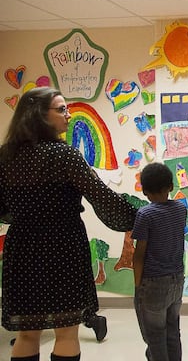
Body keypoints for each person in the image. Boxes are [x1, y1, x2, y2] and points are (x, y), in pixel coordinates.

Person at [0, 87, 137, 361]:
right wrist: (138, 216)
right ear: (40, 114)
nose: (69, 114)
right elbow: (101, 197)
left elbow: (3, 209)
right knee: (66, 334)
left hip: (22, 249)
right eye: (61, 109)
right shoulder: (64, 155)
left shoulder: (6, 156)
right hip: (64, 247)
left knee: (27, 334)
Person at [132, 162, 187, 361]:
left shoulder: (145, 215)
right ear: (170, 186)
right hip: (177, 280)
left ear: (144, 191)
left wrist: (138, 286)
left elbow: (139, 254)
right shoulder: (180, 209)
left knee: (155, 337)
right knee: (173, 332)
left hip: (153, 283)